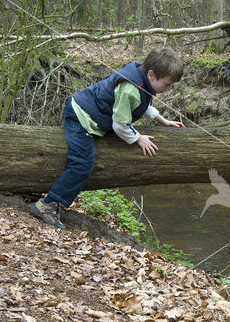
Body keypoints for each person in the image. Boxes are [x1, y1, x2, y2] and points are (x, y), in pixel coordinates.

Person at [31, 47, 185, 229]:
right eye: (167, 84)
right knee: (82, 163)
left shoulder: (142, 79)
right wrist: (138, 138)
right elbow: (119, 125)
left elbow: (142, 104)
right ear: (151, 74)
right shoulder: (129, 89)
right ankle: (47, 204)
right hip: (81, 116)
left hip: (93, 115)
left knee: (84, 161)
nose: (168, 89)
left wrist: (163, 120)